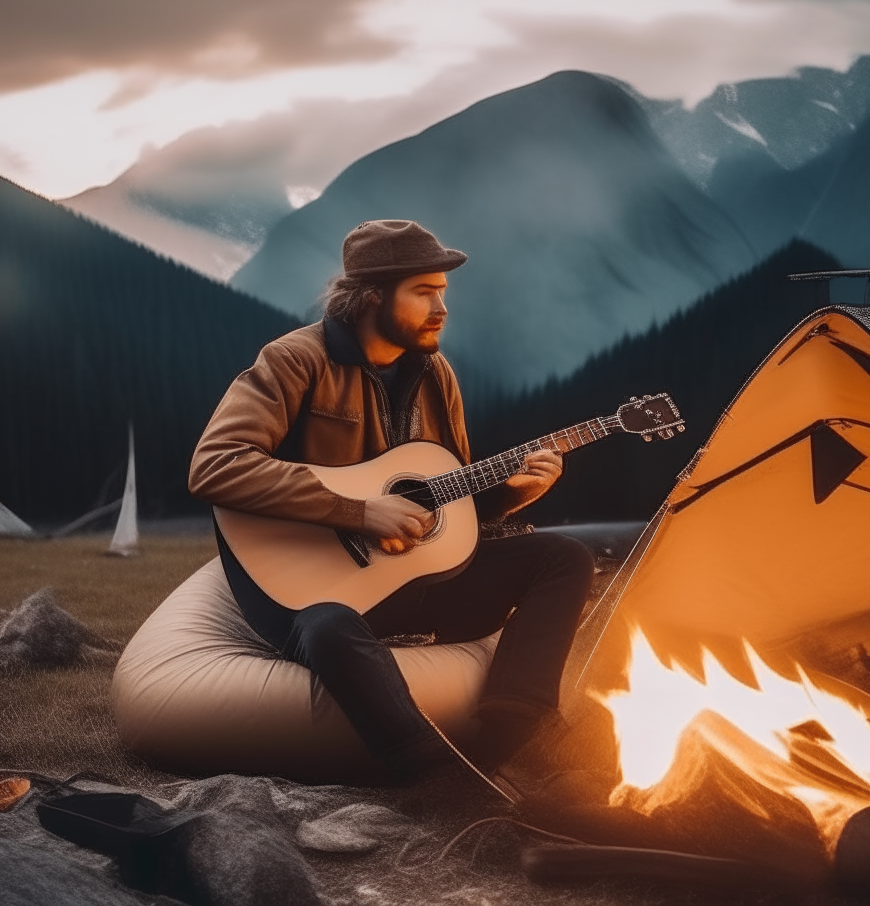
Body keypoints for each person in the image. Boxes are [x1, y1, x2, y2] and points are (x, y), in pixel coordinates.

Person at [188, 219, 594, 783]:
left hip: (405, 578)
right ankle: (428, 773)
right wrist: (357, 511)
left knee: (564, 558)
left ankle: (513, 733)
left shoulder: (436, 374)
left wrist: (512, 494)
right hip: (308, 592)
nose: (441, 308)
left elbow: (443, 506)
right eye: (424, 292)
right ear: (371, 296)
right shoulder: (294, 360)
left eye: (443, 293)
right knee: (329, 627)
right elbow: (216, 465)